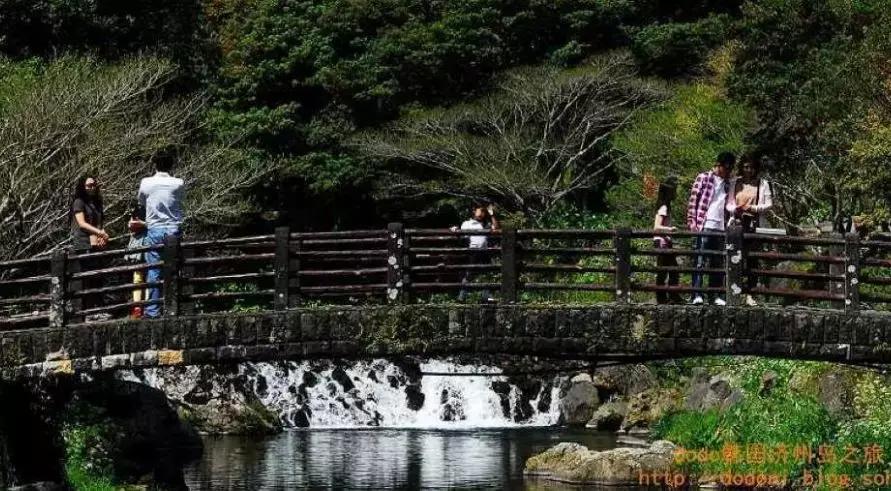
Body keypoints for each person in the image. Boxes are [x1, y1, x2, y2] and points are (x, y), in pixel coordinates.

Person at [130, 150, 185, 318]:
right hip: (174, 228)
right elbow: (180, 200)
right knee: (175, 268)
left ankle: (152, 310)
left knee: (154, 270)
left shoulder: (146, 182)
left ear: (155, 164)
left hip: (154, 228)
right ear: (171, 165)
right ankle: (174, 307)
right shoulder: (178, 183)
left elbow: (141, 201)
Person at [687, 152, 735, 306]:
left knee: (718, 263)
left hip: (721, 227)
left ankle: (715, 295)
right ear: (719, 164)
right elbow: (693, 201)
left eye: (730, 169)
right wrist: (692, 223)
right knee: (700, 261)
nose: (727, 172)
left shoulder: (728, 184)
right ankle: (696, 294)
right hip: (704, 224)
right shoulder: (704, 177)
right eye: (726, 168)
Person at [726, 155, 773, 306]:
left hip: (753, 224)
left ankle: (750, 294)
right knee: (734, 257)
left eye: (751, 167)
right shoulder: (735, 182)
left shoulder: (763, 184)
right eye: (746, 167)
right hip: (736, 223)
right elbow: (729, 203)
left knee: (752, 259)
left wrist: (751, 208)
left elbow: (769, 204)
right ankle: (734, 292)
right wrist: (736, 209)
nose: (749, 170)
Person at [70, 176, 109, 319]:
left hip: (95, 243)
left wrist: (100, 236)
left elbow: (99, 222)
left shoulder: (97, 202)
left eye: (93, 185)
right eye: (88, 185)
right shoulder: (79, 202)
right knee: (86, 278)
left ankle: (97, 310)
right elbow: (82, 223)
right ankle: (86, 313)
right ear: (83, 186)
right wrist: (100, 233)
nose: (92, 187)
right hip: (83, 243)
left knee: (97, 277)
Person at [451, 203, 500, 302]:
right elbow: (462, 236)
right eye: (480, 210)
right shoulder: (467, 223)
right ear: (474, 210)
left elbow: (496, 229)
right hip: (473, 252)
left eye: (484, 211)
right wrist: (455, 230)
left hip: (484, 252)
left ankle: (486, 297)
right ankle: (461, 297)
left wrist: (492, 215)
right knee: (469, 275)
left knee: (487, 274)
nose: (482, 213)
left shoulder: (486, 224)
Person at [653, 176, 681, 304]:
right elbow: (657, 226)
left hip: (665, 241)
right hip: (662, 242)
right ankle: (666, 296)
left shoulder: (666, 206)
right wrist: (670, 230)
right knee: (668, 269)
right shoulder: (663, 207)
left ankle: (667, 296)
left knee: (667, 269)